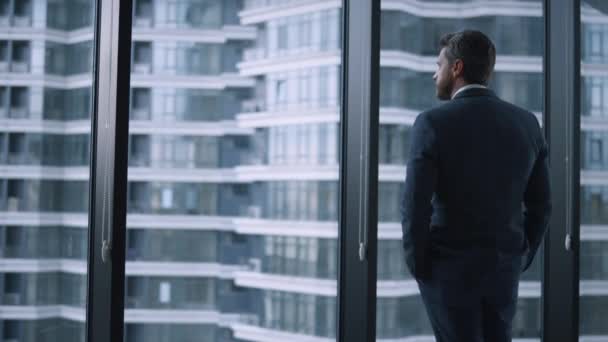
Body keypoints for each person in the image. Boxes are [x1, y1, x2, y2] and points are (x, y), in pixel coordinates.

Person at [400, 30, 551, 342]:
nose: (433, 74)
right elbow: (541, 205)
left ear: (456, 68)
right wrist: (520, 255)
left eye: (438, 65)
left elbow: (415, 204)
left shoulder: (431, 123)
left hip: (448, 273)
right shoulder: (526, 123)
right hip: (503, 271)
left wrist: (421, 267)